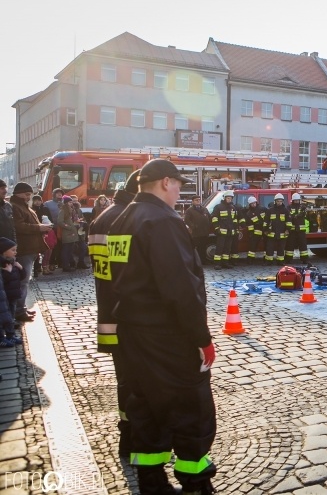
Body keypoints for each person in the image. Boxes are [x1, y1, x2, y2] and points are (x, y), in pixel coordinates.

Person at [108, 159, 216, 494]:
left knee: (145, 405)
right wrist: (202, 337)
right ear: (166, 182)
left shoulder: (122, 218)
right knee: (190, 406)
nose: (179, 192)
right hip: (167, 335)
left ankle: (151, 480)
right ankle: (195, 481)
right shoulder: (163, 221)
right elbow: (179, 288)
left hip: (132, 332)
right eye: (179, 185)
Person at [87, 169, 140, 460]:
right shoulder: (132, 219)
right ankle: (139, 439)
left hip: (108, 313)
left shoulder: (101, 218)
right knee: (141, 380)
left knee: (124, 379)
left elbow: (103, 271)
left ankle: (126, 436)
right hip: (134, 318)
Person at [10, 182, 52, 320]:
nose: (29, 197)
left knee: (25, 280)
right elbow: (19, 226)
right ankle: (19, 311)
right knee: (23, 281)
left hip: (30, 249)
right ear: (19, 194)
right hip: (24, 249)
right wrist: (39, 228)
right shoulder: (16, 207)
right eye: (27, 194)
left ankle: (21, 308)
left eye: (30, 194)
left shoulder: (23, 206)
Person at [0, 238, 23, 348]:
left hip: (13, 295)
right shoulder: (3, 265)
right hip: (5, 296)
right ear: (4, 252)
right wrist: (7, 272)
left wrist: (21, 268)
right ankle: (3, 337)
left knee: (10, 316)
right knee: (4, 316)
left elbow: (21, 277)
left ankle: (10, 335)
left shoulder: (13, 262)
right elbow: (4, 281)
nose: (15, 252)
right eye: (13, 250)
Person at [211, 190, 238, 270]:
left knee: (227, 248)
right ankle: (217, 264)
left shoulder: (233, 208)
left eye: (230, 198)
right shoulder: (218, 207)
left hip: (230, 232)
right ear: (224, 198)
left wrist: (235, 229)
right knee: (220, 248)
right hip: (221, 232)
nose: (229, 200)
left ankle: (225, 263)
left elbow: (235, 220)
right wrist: (216, 228)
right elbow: (214, 218)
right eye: (228, 198)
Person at [184, 196, 213, 265]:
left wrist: (209, 225)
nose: (198, 201)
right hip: (196, 233)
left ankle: (203, 261)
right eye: (196, 200)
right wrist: (193, 226)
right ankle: (195, 261)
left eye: (199, 200)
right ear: (193, 201)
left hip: (204, 232)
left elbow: (209, 218)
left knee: (203, 247)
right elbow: (186, 220)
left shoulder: (204, 209)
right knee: (196, 248)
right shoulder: (189, 210)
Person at [264, 193, 290, 265]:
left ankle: (280, 261)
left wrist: (287, 230)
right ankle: (269, 261)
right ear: (275, 201)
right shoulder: (270, 210)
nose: (279, 202)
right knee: (269, 248)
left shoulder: (285, 211)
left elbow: (288, 221)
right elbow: (266, 221)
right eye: (278, 201)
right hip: (271, 233)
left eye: (281, 201)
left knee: (281, 248)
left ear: (283, 201)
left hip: (282, 233)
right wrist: (265, 230)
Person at [42, 188, 63, 270]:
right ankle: (51, 263)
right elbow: (45, 214)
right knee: (52, 246)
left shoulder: (64, 203)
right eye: (57, 193)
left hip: (62, 228)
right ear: (54, 195)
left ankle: (60, 262)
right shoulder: (48, 203)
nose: (59, 195)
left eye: (61, 194)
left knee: (61, 246)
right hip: (52, 228)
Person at [240, 196, 266, 264]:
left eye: (254, 203)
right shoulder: (249, 213)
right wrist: (251, 232)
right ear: (249, 204)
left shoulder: (263, 209)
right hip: (257, 230)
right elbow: (250, 224)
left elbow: (268, 218)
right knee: (253, 245)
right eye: (252, 204)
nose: (253, 204)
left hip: (265, 229)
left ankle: (266, 258)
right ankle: (250, 258)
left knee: (267, 244)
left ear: (256, 202)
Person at [286, 193, 310, 264]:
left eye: (297, 200)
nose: (296, 201)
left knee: (303, 245)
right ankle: (288, 259)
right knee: (290, 245)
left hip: (301, 230)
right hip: (292, 230)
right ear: (292, 200)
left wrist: (296, 215)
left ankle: (305, 259)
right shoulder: (289, 207)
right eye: (295, 200)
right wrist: (297, 216)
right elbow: (289, 216)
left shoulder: (303, 207)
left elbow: (304, 215)